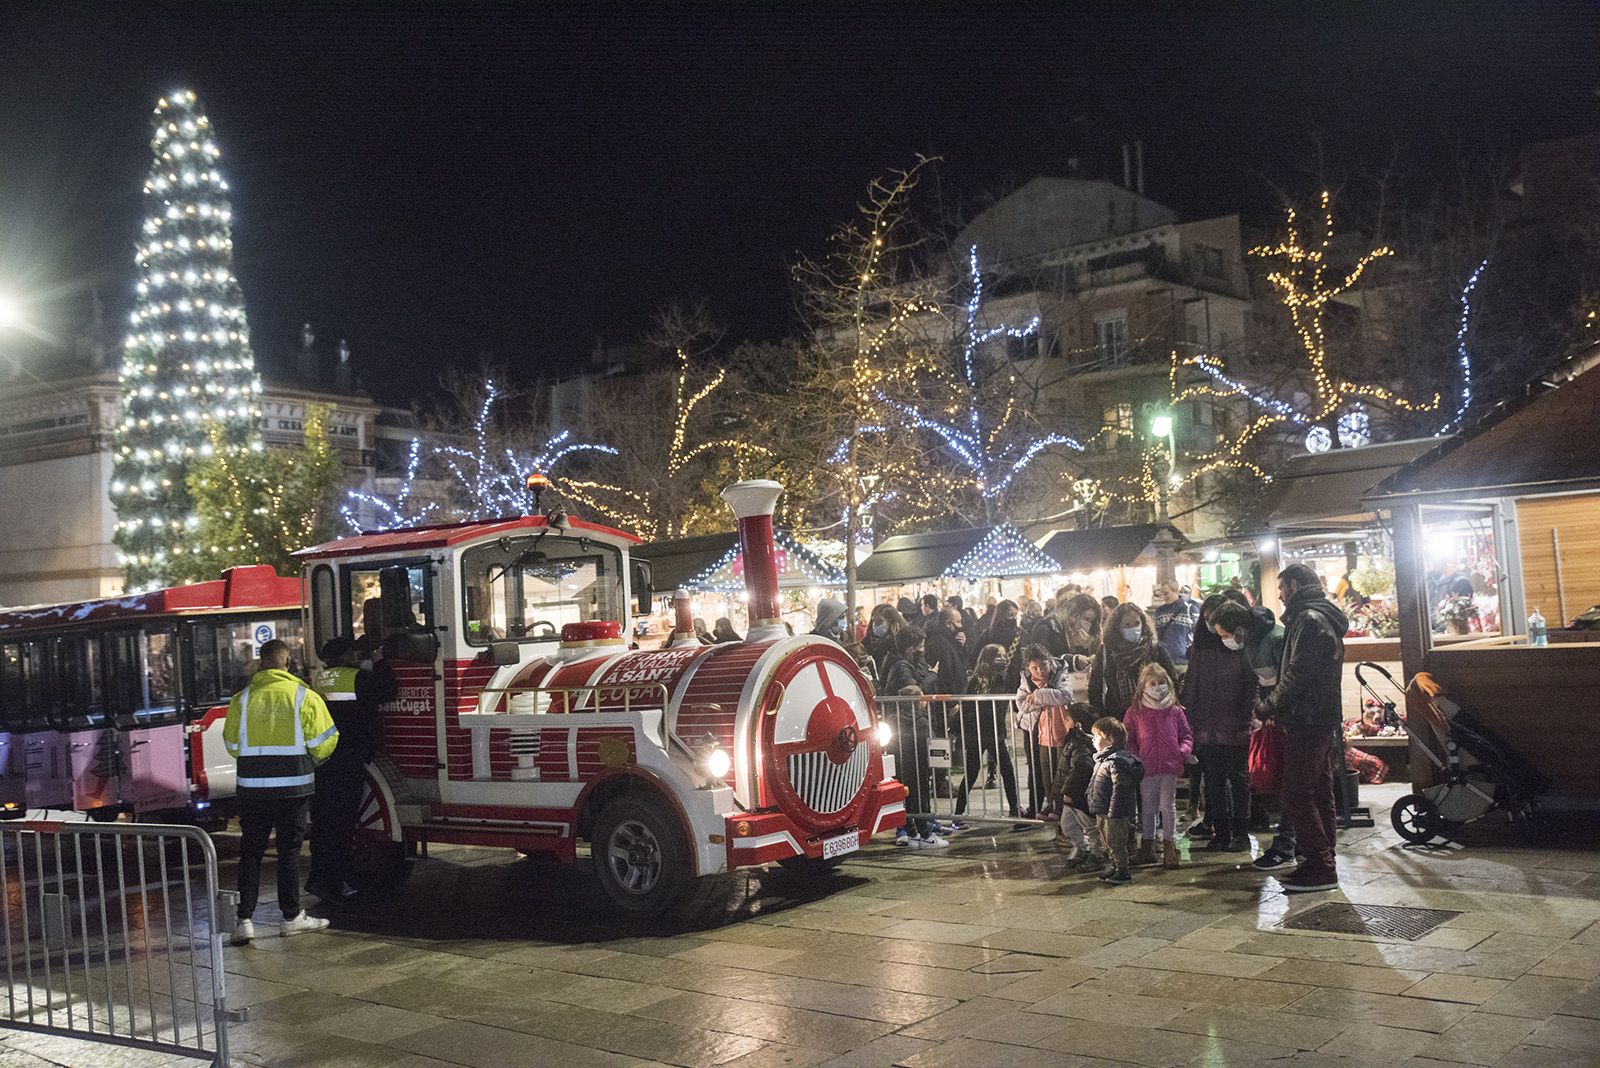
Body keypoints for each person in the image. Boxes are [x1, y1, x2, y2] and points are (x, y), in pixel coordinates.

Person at [224, 639, 338, 944]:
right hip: (293, 788)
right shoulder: (304, 696)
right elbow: (326, 741)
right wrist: (310, 761)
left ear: (261, 663)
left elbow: (232, 745)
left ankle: (244, 921)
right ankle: (291, 917)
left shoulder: (241, 700)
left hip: (252, 790)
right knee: (288, 852)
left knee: (251, 852)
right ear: (288, 662)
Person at [1254, 564, 1348, 893]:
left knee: (1296, 792)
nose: (1279, 596)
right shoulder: (1317, 618)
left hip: (1308, 718)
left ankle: (1320, 866)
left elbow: (1298, 674)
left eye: (1281, 588)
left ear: (1293, 585)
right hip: (1317, 716)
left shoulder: (1308, 620)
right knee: (1319, 790)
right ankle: (1321, 860)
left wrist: (1266, 706)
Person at [307, 637, 395, 901]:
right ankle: (331, 884)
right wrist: (381, 661)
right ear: (346, 655)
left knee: (323, 822)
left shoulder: (320, 680)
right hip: (348, 757)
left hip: (323, 759)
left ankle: (318, 880)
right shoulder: (356, 678)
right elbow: (388, 691)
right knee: (341, 823)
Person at [1212, 598, 1291, 859]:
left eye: (1225, 635)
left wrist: (1271, 709)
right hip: (1275, 713)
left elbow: (1286, 680)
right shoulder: (1251, 643)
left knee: (1294, 781)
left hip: (1289, 715)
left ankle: (1292, 841)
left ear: (1238, 629)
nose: (1224, 641)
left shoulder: (1274, 640)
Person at [1183, 594, 1258, 853]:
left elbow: (1250, 686)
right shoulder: (1201, 650)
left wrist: (1247, 719)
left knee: (1238, 781)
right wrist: (1191, 722)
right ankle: (1221, 832)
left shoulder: (1240, 648)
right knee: (1213, 781)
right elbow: (1191, 686)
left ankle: (1241, 833)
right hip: (1207, 727)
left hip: (1235, 725)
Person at [1124, 663, 1193, 869]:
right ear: (1143, 686)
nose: (1157, 687)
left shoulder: (1175, 710)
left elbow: (1186, 735)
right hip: (1146, 768)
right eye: (1152, 683)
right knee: (1148, 808)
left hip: (1170, 767)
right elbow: (1129, 738)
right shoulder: (1135, 711)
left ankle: (1169, 846)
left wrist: (1182, 752)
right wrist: (1136, 757)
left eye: (1161, 682)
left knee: (1167, 806)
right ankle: (1147, 846)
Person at [954, 644, 1019, 818]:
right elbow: (969, 707)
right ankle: (958, 813)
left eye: (1004, 655)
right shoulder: (977, 680)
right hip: (979, 734)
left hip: (995, 733)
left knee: (1007, 771)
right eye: (998, 656)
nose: (1003, 659)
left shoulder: (1003, 677)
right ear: (988, 658)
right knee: (972, 772)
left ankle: (1015, 809)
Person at [1089, 603, 1178, 717]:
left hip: (1154, 715)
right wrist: (1102, 717)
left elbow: (1172, 680)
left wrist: (1166, 702)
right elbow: (1095, 688)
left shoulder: (1155, 649)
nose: (1133, 628)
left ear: (1143, 624)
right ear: (1117, 628)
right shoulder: (1107, 651)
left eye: (1137, 623)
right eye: (1127, 625)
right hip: (1119, 716)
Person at [1085, 716, 1142, 885]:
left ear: (1110, 739)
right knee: (1106, 840)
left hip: (1114, 813)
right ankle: (1115, 866)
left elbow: (1120, 789)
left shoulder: (1116, 761)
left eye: (1097, 736)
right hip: (1103, 808)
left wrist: (1114, 811)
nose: (1093, 739)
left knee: (1115, 842)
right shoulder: (1102, 759)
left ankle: (1122, 870)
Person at [890, 685, 948, 849]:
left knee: (905, 800)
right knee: (920, 800)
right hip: (917, 766)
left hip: (899, 765)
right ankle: (926, 836)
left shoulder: (893, 719)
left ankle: (911, 833)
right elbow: (930, 743)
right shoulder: (921, 722)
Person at [1053, 703, 1100, 868]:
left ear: (1077, 724)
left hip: (1079, 796)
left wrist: (1069, 791)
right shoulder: (1073, 741)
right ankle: (1081, 847)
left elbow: (1081, 769)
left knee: (1089, 826)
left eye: (1067, 719)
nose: (1064, 722)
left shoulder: (1082, 745)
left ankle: (1097, 853)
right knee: (1067, 825)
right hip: (1070, 795)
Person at [1152, 581, 1200, 666]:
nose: (1164, 597)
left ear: (1176, 591)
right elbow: (1155, 636)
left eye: (1166, 593)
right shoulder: (1159, 612)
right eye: (1162, 594)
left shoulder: (1191, 610)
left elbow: (1199, 636)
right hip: (1164, 662)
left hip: (1185, 661)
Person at [882, 627, 938, 698]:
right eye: (921, 647)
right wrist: (932, 676)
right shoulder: (901, 669)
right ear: (910, 650)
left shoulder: (917, 662)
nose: (923, 649)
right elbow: (914, 691)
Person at [865, 604, 908, 678]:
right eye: (873, 621)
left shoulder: (900, 642)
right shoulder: (867, 642)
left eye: (879, 622)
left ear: (891, 622)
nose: (875, 625)